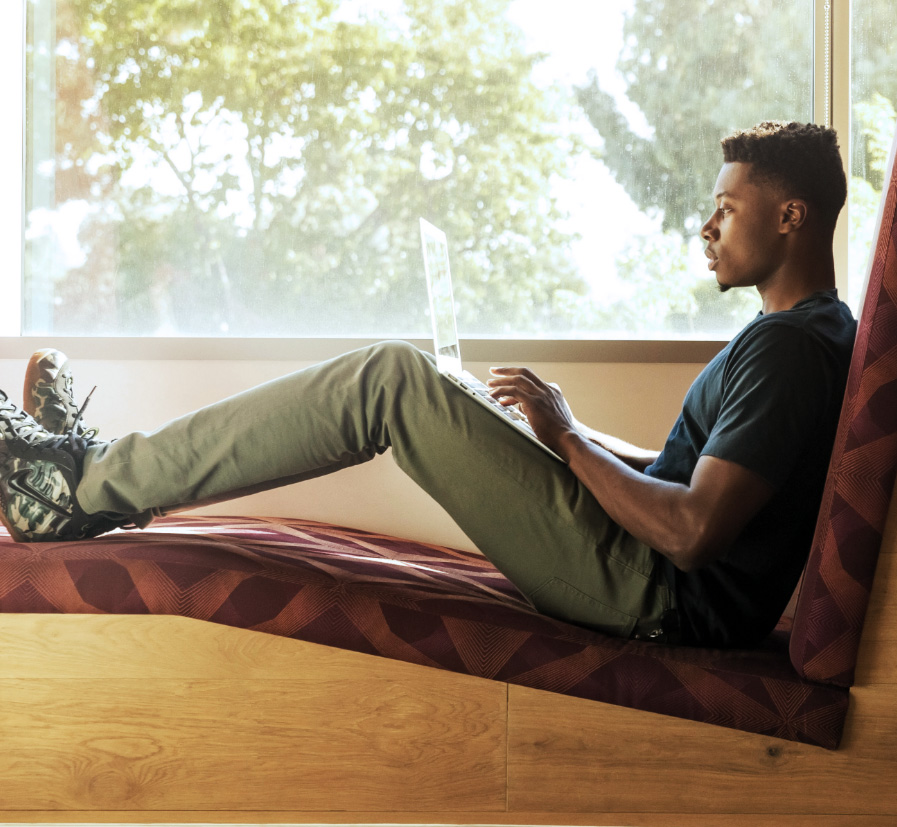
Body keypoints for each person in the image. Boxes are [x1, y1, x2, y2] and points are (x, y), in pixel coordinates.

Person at [0, 121, 856, 649]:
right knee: (403, 380)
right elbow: (682, 476)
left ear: (791, 216)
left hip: (652, 596)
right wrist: (562, 430)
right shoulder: (803, 335)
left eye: (725, 208)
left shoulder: (787, 349)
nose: (705, 227)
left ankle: (82, 481)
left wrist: (560, 440)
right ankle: (97, 474)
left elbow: (692, 531)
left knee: (386, 379)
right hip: (641, 571)